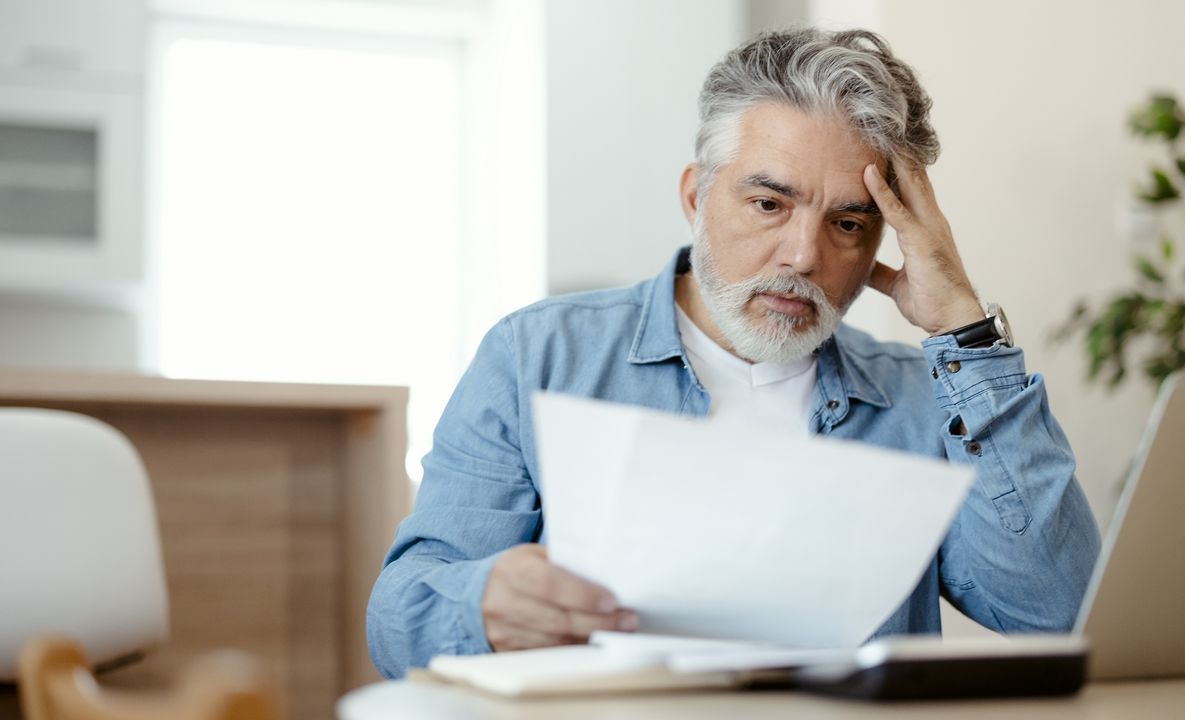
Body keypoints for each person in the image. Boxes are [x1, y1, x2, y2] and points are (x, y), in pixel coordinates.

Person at [366, 27, 1101, 679]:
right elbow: (397, 622)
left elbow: (1056, 615)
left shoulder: (920, 399)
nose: (804, 255)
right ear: (696, 197)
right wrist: (484, 602)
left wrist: (965, 335)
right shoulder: (538, 355)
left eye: (848, 223)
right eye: (768, 204)